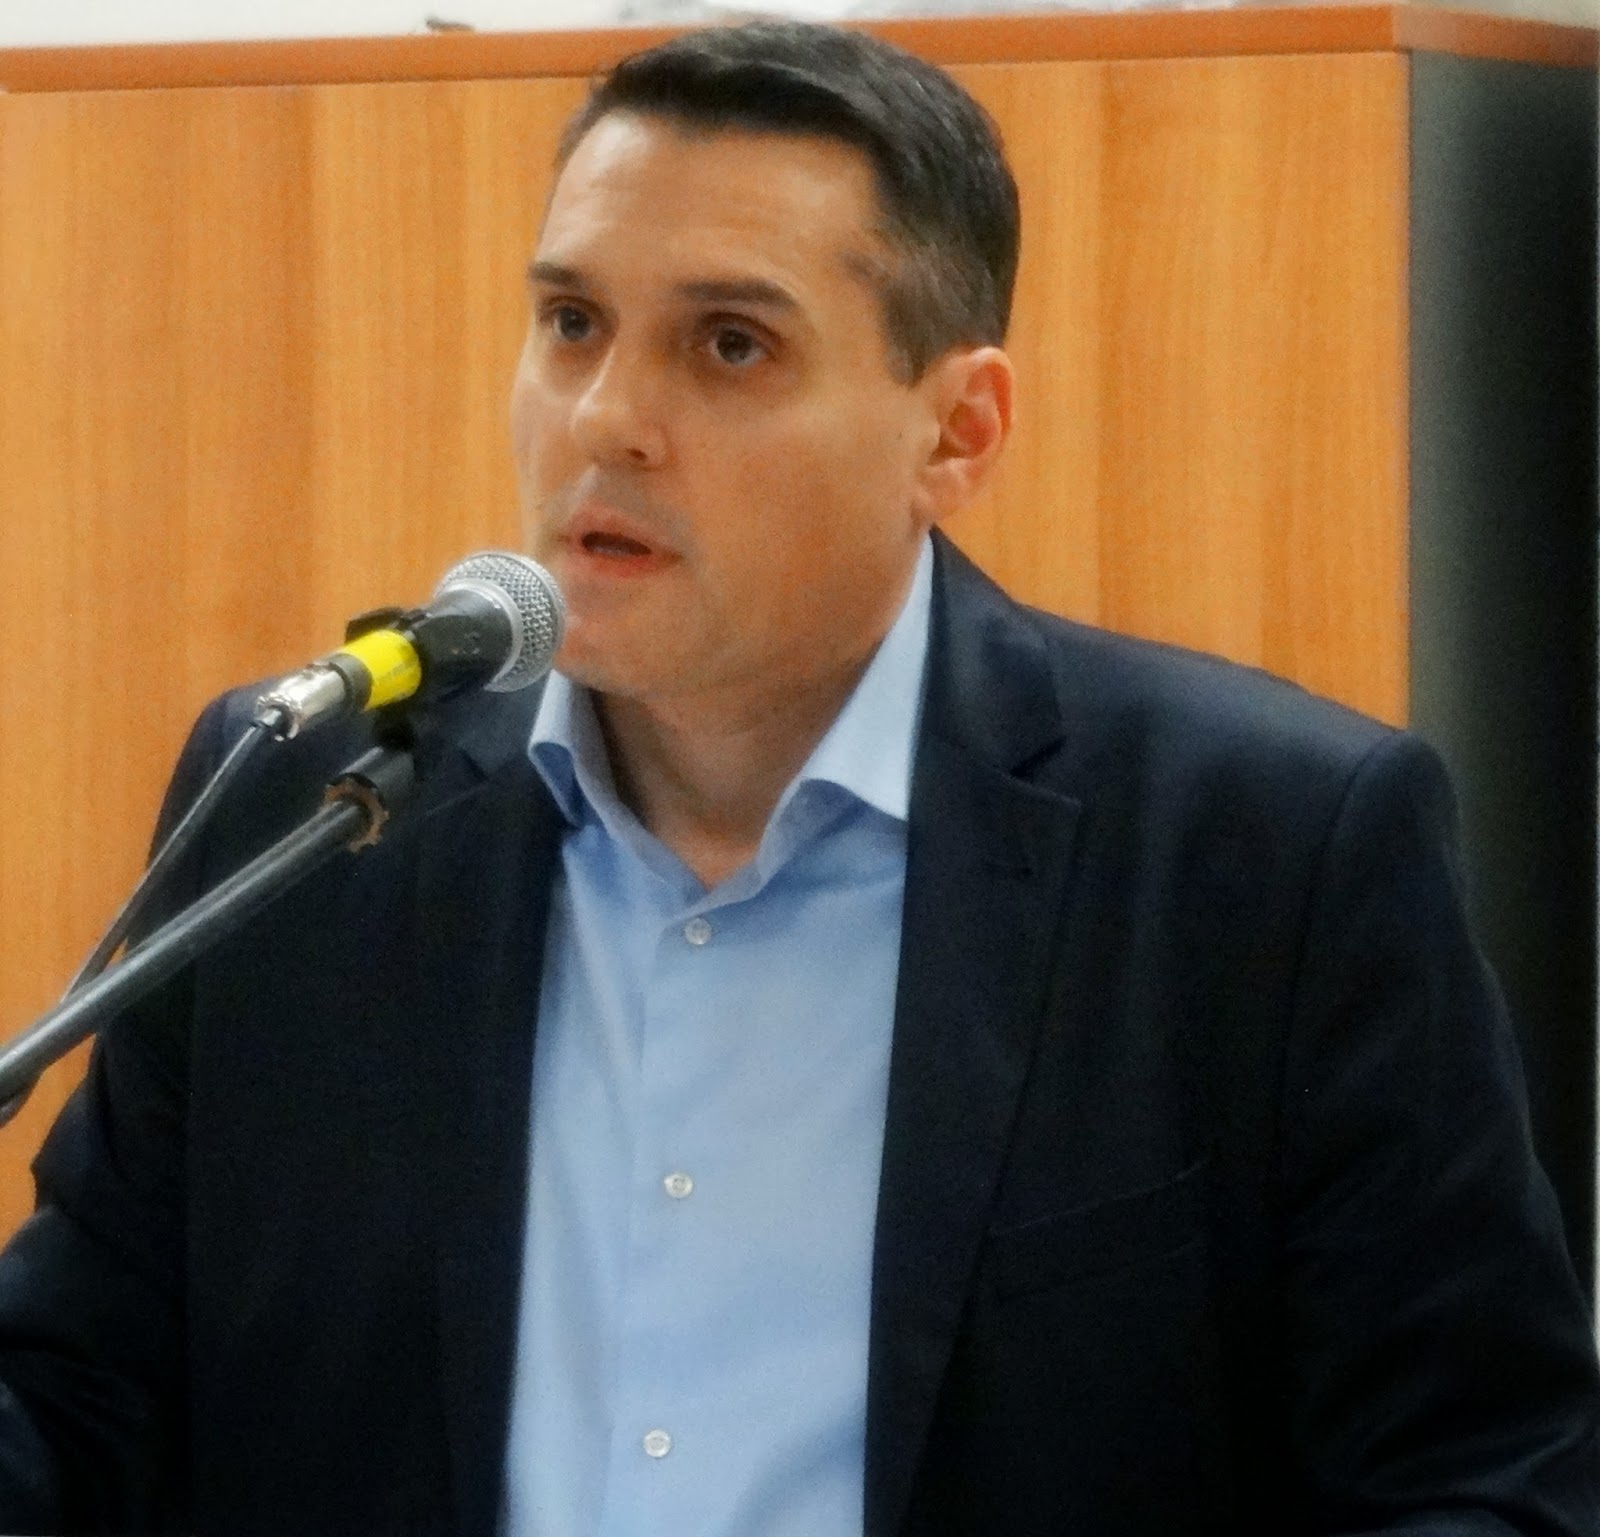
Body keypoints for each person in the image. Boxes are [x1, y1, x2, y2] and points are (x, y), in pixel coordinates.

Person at [0, 19, 1593, 1536]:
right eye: (571, 322)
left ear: (956, 432)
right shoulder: (313, 803)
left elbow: (1488, 1481)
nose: (608, 420)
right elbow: (80, 1395)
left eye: (730, 344)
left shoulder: (1266, 854)